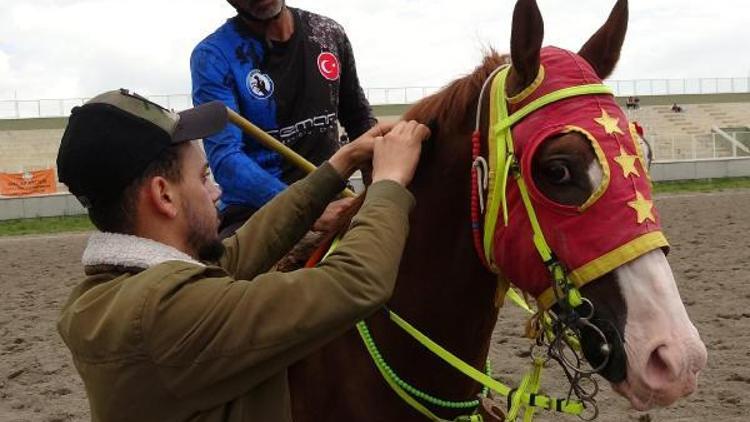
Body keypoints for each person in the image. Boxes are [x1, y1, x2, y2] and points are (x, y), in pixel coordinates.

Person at [55, 89, 430, 421]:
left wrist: (339, 164)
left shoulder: (108, 295)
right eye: (203, 178)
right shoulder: (165, 311)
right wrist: (389, 181)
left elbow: (235, 255)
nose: (216, 191)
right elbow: (355, 282)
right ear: (163, 195)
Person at [190, 0, 376, 238]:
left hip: (335, 198)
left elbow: (359, 119)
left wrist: (379, 191)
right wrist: (306, 209)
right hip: (255, 213)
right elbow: (225, 159)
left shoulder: (328, 33)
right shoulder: (212, 56)